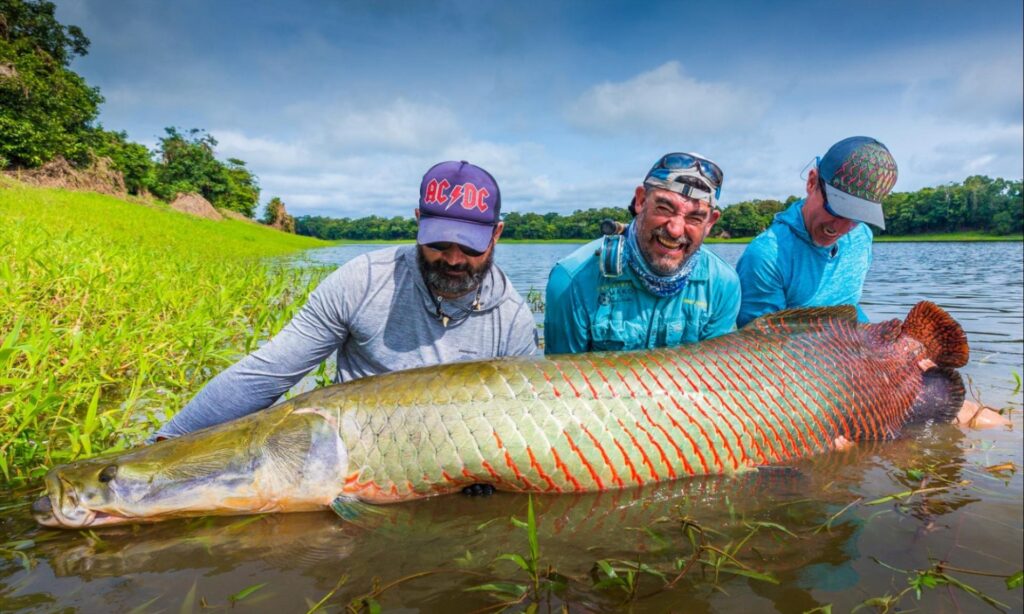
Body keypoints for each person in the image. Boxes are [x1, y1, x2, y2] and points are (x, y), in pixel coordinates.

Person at [154, 160, 538, 439]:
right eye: (438, 243)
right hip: (354, 455)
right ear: (418, 221)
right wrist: (165, 443)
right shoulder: (363, 281)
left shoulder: (513, 319)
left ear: (496, 233)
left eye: (469, 247)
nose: (454, 259)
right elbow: (266, 373)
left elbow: (524, 422)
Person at [544, 152, 740, 354]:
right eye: (664, 208)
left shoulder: (723, 284)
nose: (675, 229)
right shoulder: (571, 279)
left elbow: (711, 372)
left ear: (710, 223)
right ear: (641, 200)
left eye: (695, 218)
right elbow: (561, 376)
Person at [735, 136, 896, 327]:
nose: (842, 228)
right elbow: (760, 345)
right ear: (812, 182)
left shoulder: (862, 237)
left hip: (851, 347)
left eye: (857, 217)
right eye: (836, 209)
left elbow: (851, 309)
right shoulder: (767, 256)